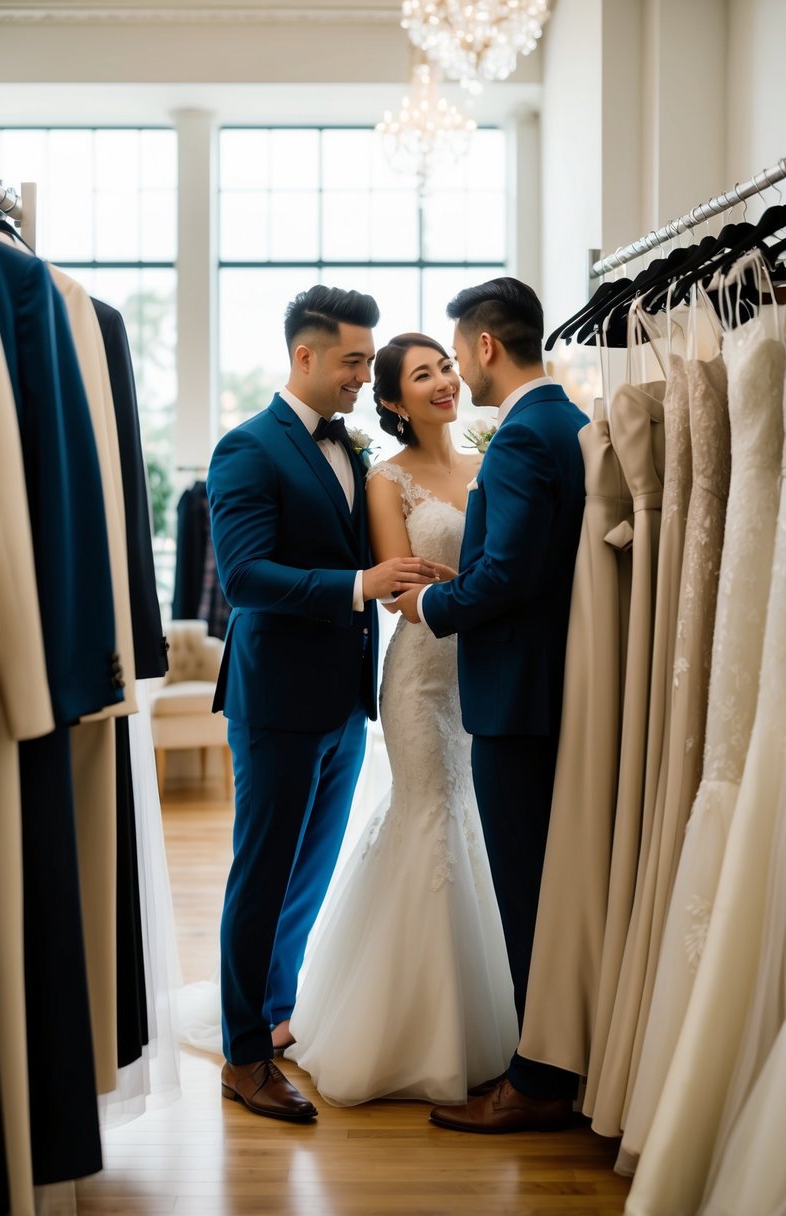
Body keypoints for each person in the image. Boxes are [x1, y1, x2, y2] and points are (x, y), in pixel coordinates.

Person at [207, 286, 442, 1122]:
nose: (361, 373)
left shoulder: (350, 446)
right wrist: (356, 585)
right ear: (303, 357)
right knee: (262, 875)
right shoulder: (246, 448)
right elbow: (243, 579)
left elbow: (373, 554)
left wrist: (409, 574)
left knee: (306, 875)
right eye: (350, 359)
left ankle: (274, 1020)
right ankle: (241, 1059)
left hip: (345, 699)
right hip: (274, 699)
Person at [286, 333, 517, 1105]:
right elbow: (398, 589)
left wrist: (470, 583)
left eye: (446, 366)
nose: (445, 381)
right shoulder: (388, 481)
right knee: (429, 815)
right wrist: (472, 582)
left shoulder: (488, 468)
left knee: (468, 822)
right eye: (423, 375)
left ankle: (483, 1016)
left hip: (475, 674)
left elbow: (492, 571)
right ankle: (403, 1031)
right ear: (392, 400)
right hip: (419, 679)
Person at [397, 277, 588, 1133]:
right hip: (564, 683)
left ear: (483, 347)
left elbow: (508, 577)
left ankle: (537, 1080)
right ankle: (558, 1058)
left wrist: (433, 606)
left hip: (516, 700)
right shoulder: (571, 424)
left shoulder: (516, 441)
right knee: (556, 882)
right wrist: (468, 578)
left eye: (456, 352)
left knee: (526, 891)